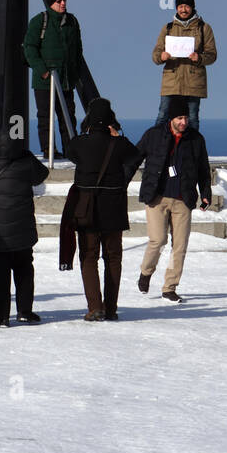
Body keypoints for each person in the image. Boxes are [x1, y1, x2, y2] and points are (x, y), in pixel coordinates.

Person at [63, 98, 139, 321]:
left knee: (88, 256)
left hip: (86, 207)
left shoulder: (79, 143)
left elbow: (71, 153)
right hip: (113, 208)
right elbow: (135, 156)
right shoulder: (120, 144)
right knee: (113, 258)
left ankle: (95, 306)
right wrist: (117, 136)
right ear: (110, 120)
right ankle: (112, 308)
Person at [132, 94, 212, 301]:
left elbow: (204, 168)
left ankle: (170, 287)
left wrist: (205, 195)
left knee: (180, 246)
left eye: (185, 118)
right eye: (179, 118)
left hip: (183, 199)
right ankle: (146, 272)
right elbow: (133, 159)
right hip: (156, 197)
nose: (183, 122)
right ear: (170, 118)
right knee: (157, 240)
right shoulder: (153, 135)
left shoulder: (196, 139)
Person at [0, 127, 49, 326]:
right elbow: (42, 173)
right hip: (22, 230)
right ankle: (25, 311)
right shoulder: (25, 163)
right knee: (24, 270)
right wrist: (27, 154)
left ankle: (1, 315)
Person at [23, 0, 84, 160]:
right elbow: (29, 47)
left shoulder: (72, 21)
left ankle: (71, 151)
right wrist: (43, 72)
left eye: (64, 0)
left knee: (68, 117)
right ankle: (49, 151)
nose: (63, 3)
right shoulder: (39, 21)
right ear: (51, 3)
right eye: (59, 1)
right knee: (45, 117)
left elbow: (78, 49)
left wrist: (75, 72)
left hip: (65, 80)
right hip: (44, 82)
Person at [152, 0, 217, 131]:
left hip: (193, 82)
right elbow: (155, 54)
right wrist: (161, 57)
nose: (183, 9)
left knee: (192, 118)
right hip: (171, 82)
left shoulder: (204, 28)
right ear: (176, 8)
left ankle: (192, 151)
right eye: (180, 6)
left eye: (187, 6)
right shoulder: (168, 28)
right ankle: (155, 149)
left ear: (193, 7)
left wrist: (199, 58)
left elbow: (212, 55)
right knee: (163, 116)